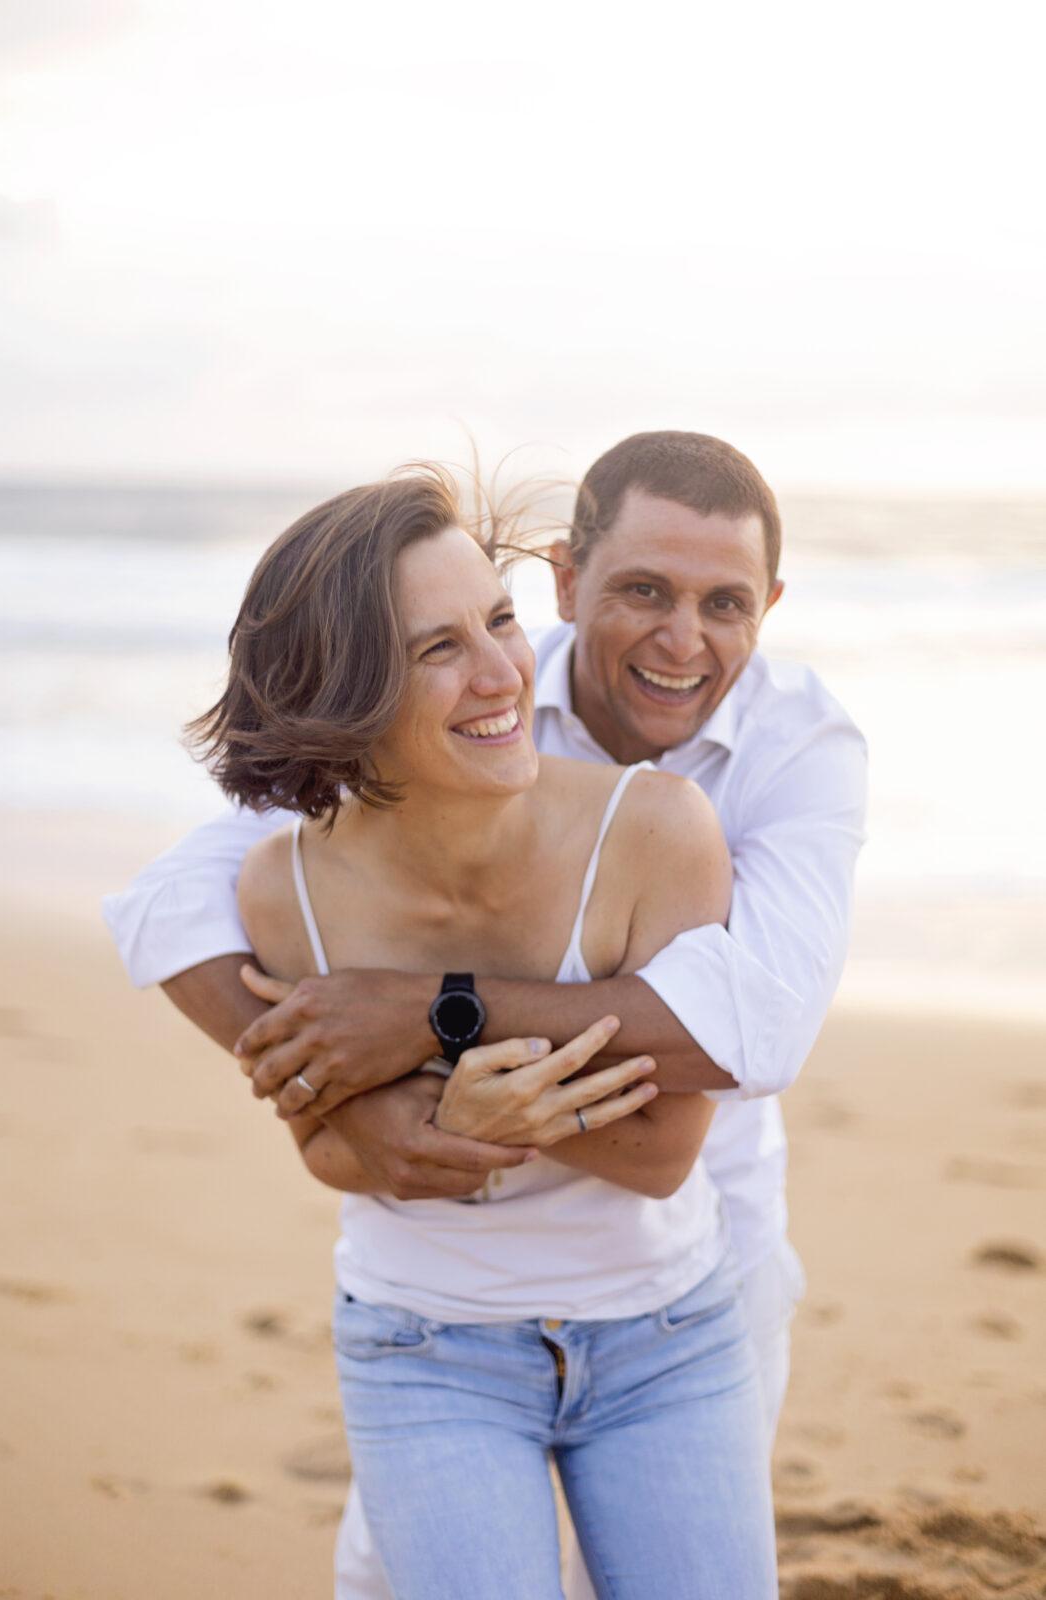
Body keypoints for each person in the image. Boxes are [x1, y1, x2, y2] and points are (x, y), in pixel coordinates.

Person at [104, 431, 868, 1600]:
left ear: (767, 606)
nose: (682, 640)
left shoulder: (781, 754)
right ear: (564, 581)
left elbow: (740, 1044)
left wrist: (427, 1019)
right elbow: (176, 896)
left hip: (690, 1257)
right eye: (641, 591)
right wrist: (340, 1107)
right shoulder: (431, 727)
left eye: (725, 603)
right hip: (434, 1313)